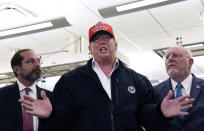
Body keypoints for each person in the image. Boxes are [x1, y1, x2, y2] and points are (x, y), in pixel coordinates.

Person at [19, 22, 194, 131]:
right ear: (90, 49)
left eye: (106, 38)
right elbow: (62, 121)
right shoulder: (70, 81)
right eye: (96, 40)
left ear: (115, 44)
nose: (101, 41)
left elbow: (146, 117)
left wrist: (160, 113)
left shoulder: (137, 80)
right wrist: (51, 114)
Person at [154, 45, 204, 131]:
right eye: (167, 57)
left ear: (190, 62)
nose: (170, 59)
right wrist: (161, 114)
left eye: (176, 55)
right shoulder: (155, 91)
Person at [0, 49, 52, 131]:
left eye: (38, 61)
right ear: (17, 69)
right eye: (31, 61)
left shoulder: (50, 97)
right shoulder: (2, 96)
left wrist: (50, 116)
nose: (37, 65)